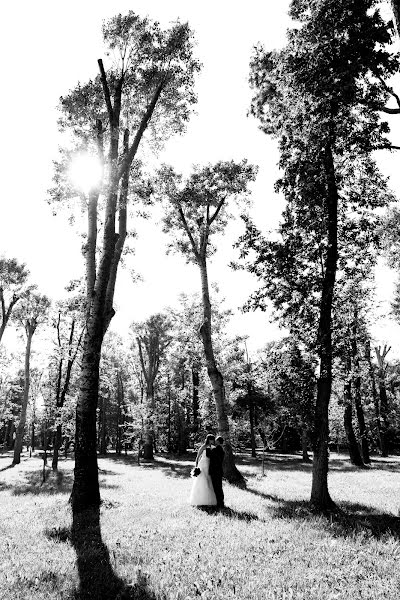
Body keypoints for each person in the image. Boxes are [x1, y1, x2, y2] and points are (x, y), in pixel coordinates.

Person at [189, 434, 217, 507]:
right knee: (201, 480)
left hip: (209, 465)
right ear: (208, 439)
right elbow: (198, 456)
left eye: (213, 440)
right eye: (211, 439)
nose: (212, 441)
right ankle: (199, 500)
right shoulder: (203, 446)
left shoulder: (213, 447)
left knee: (208, 480)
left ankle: (209, 500)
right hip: (202, 464)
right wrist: (196, 466)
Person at [207, 436, 225, 509]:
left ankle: (220, 504)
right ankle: (220, 503)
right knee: (218, 487)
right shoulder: (219, 448)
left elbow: (211, 456)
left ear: (218, 441)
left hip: (216, 471)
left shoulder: (218, 448)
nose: (214, 441)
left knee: (217, 488)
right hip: (218, 471)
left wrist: (210, 448)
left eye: (216, 440)